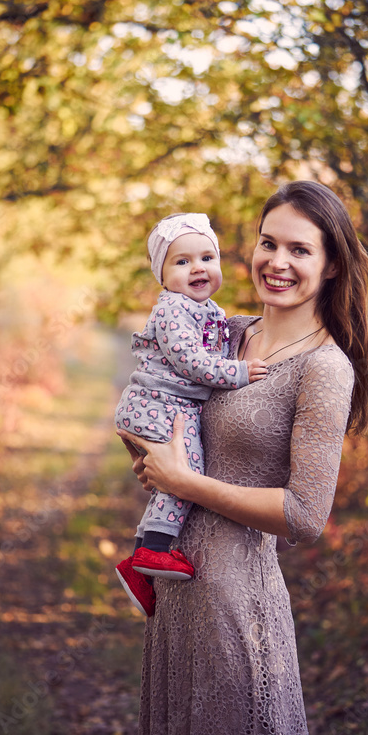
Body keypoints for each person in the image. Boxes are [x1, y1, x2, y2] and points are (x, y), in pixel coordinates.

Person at [119, 180, 368, 735]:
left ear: (330, 266)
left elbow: (304, 517)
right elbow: (162, 424)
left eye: (301, 249)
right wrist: (144, 450)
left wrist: (186, 484)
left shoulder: (324, 369)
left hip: (238, 604)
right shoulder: (222, 332)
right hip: (178, 595)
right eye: (268, 242)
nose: (278, 261)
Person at [114, 212, 268, 617]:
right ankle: (154, 552)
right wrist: (238, 372)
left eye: (206, 258)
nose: (197, 268)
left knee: (174, 476)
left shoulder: (208, 309)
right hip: (158, 403)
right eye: (181, 262)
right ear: (162, 276)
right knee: (185, 472)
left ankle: (139, 567)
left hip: (167, 404)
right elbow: (191, 362)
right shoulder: (171, 311)